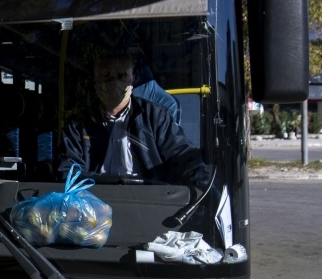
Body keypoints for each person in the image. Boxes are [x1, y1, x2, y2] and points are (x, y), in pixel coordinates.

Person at [59, 46, 211, 189]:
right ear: (96, 81)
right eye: (106, 77)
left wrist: (204, 187)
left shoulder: (156, 117)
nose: (114, 83)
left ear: (132, 80)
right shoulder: (79, 123)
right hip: (96, 204)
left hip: (145, 203)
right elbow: (68, 169)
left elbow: (183, 157)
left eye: (121, 76)